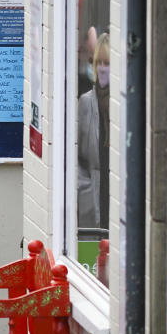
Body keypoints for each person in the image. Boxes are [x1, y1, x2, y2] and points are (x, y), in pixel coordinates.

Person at [77, 32, 110, 230]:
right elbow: (79, 157)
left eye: (107, 63)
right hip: (93, 200)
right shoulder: (87, 102)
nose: (102, 69)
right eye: (99, 63)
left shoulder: (123, 104)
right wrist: (85, 193)